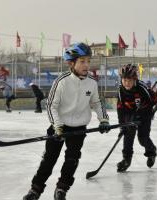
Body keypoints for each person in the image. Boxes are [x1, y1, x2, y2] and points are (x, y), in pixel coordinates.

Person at [23, 43, 110, 200]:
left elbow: (97, 103)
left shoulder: (92, 83)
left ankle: (61, 189)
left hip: (79, 129)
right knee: (49, 160)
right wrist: (57, 126)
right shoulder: (61, 81)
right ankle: (35, 190)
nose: (86, 65)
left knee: (72, 160)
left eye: (88, 61)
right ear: (71, 63)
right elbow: (51, 105)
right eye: (82, 61)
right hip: (59, 126)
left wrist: (103, 119)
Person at [116, 64, 157, 172]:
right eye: (124, 80)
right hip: (129, 113)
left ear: (135, 79)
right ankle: (126, 159)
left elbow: (152, 101)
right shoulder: (121, 90)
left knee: (142, 138)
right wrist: (122, 125)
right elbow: (120, 109)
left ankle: (151, 152)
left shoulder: (142, 88)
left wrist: (141, 115)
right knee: (128, 135)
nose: (127, 83)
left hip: (145, 114)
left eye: (129, 80)